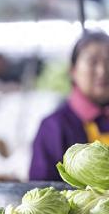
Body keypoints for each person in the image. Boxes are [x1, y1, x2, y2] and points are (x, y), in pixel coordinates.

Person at [30, 31, 109, 181]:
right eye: (93, 62)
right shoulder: (54, 126)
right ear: (73, 71)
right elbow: (41, 188)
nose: (103, 71)